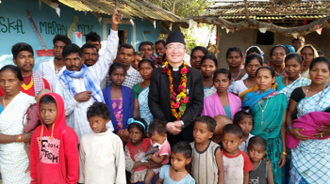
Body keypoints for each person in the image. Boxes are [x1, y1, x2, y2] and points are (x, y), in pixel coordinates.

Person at [55, 10, 120, 141]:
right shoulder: (60, 81)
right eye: (68, 59)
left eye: (76, 59)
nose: (72, 63)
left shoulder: (92, 73)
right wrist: (75, 100)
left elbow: (109, 55)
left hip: (100, 133)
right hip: (76, 137)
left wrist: (114, 27)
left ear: (82, 59)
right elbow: (58, 112)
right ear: (64, 61)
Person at [148, 31, 204, 146]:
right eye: (171, 47)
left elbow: (198, 103)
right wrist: (166, 124)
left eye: (179, 47)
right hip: (163, 132)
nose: (175, 51)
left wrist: (182, 122)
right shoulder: (157, 74)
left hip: (188, 131)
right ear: (166, 50)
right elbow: (153, 101)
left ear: (184, 51)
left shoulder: (195, 74)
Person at [286, 57, 330, 183]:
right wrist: (290, 130)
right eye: (315, 70)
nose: (319, 74)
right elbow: (289, 114)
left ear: (329, 73)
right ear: (309, 72)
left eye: (324, 71)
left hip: (325, 149)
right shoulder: (298, 92)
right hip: (301, 146)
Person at [242, 66, 287, 184]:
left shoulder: (280, 98)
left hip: (273, 144)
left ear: (273, 79)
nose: (262, 80)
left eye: (266, 77)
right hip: (253, 143)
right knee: (251, 175)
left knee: (272, 174)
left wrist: (283, 151)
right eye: (259, 77)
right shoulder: (248, 97)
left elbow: (282, 125)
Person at [30, 93, 79, 183]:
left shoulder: (66, 133)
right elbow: (33, 158)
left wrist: (72, 182)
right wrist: (34, 180)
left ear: (59, 110)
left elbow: (73, 162)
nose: (46, 114)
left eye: (51, 110)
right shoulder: (37, 132)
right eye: (42, 110)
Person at [0, 65, 35, 183]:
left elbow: (37, 132)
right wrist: (19, 137)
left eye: (11, 80)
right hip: (6, 158)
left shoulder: (30, 102)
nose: (6, 85)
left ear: (20, 82)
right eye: (2, 81)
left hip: (27, 157)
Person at [79, 102, 125, 184]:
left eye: (98, 121)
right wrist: (81, 181)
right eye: (90, 121)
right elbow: (81, 163)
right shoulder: (85, 139)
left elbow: (120, 165)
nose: (93, 125)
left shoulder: (114, 139)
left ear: (107, 120)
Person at [103, 63, 133, 142]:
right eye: (115, 74)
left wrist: (129, 128)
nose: (119, 78)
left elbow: (131, 110)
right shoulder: (104, 93)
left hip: (125, 131)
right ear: (110, 75)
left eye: (122, 75)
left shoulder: (128, 91)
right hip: (109, 131)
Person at [190, 116, 224, 184]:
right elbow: (189, 168)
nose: (197, 133)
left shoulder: (215, 148)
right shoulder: (191, 147)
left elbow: (221, 171)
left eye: (201, 131)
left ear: (210, 135)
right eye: (195, 129)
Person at [145, 120, 171, 184]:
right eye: (152, 140)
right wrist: (149, 153)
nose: (154, 143)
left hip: (162, 166)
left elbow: (160, 160)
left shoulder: (165, 147)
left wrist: (151, 157)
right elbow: (151, 146)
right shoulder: (155, 139)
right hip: (153, 162)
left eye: (156, 141)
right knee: (147, 180)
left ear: (165, 136)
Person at [125, 118, 150, 184]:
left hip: (150, 176)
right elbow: (128, 165)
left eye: (137, 133)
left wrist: (137, 163)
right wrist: (143, 162)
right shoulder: (127, 146)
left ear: (143, 133)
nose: (133, 136)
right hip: (137, 180)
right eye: (130, 132)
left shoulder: (148, 142)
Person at [133, 59, 155, 125]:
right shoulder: (136, 88)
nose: (145, 71)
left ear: (153, 69)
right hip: (142, 122)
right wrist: (138, 123)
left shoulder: (158, 86)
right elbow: (136, 108)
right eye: (142, 69)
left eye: (148, 68)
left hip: (156, 122)